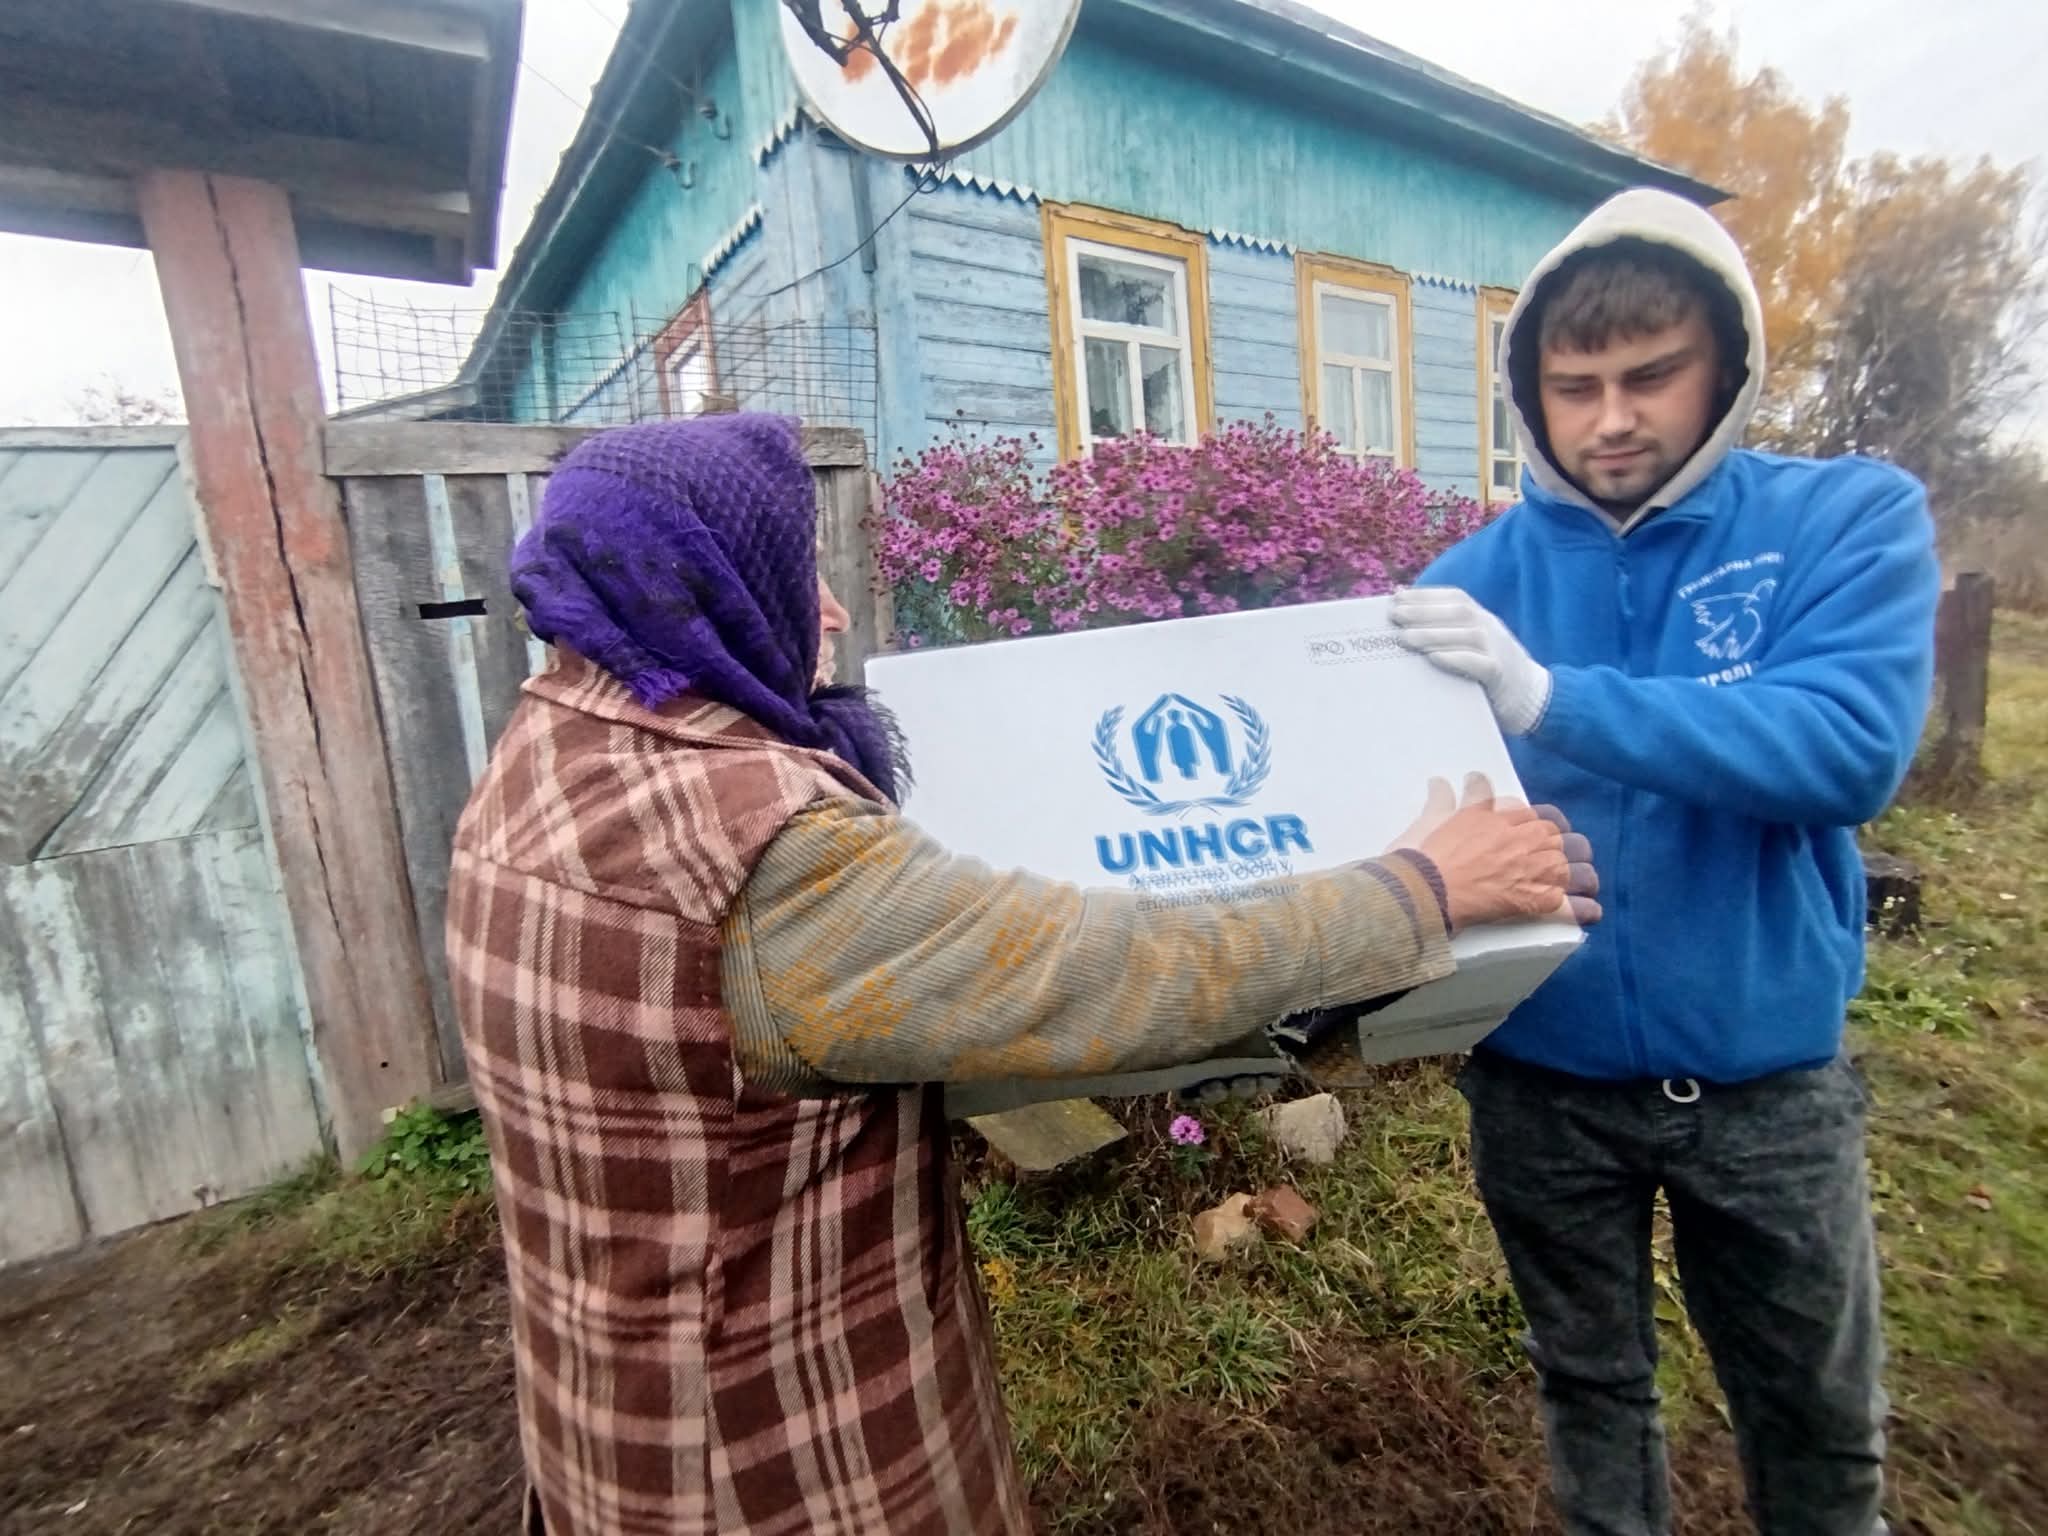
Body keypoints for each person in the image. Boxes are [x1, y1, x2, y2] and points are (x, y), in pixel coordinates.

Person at [447, 413, 1599, 1536]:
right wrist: (1418, 891)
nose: (831, 610)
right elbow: (1107, 972)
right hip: (777, 1450)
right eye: (795, 574)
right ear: (699, 584)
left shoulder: (552, 751)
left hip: (613, 1395)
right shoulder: (759, 851)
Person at [1392, 189, 1941, 1536]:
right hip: (1543, 1084)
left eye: (1650, 376)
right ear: (1529, 392)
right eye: (1574, 387)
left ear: (1728, 366)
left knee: (1816, 1422)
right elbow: (1403, 804)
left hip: (1766, 1091)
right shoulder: (1467, 584)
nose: (1611, 419)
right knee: (1589, 1389)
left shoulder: (1843, 522)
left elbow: (1845, 748)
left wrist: (1549, 700)